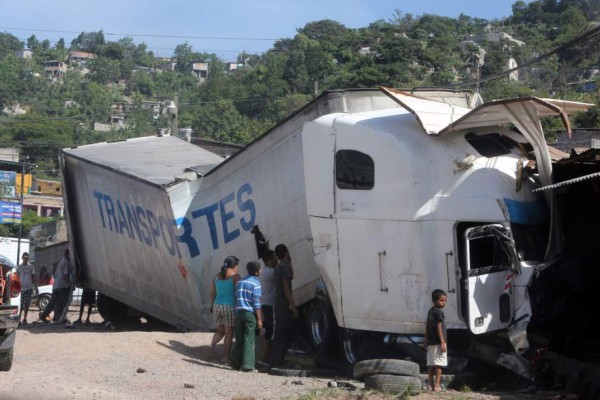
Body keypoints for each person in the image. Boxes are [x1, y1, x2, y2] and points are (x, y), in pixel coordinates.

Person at [269, 244, 299, 368]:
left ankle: (277, 359)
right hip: (284, 304)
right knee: (283, 332)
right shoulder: (285, 267)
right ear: (286, 252)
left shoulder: (277, 267)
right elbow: (286, 287)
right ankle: (276, 361)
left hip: (278, 303)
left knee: (282, 332)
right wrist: (293, 306)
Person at [230, 261, 263, 372]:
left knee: (239, 339)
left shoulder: (240, 282)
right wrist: (259, 319)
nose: (261, 271)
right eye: (260, 269)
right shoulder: (255, 283)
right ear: (256, 271)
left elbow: (235, 297)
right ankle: (248, 366)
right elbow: (256, 302)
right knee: (249, 339)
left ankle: (235, 363)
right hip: (250, 314)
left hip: (239, 313)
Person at [208, 256, 241, 363]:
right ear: (235, 266)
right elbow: (240, 293)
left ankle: (212, 346)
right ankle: (226, 358)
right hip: (229, 307)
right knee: (229, 333)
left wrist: (211, 306)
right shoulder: (236, 277)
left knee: (220, 330)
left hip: (217, 305)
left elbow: (212, 293)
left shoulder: (216, 276)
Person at [39, 249, 72, 323]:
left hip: (56, 285)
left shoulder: (60, 262)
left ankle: (44, 316)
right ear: (68, 254)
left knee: (53, 302)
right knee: (64, 303)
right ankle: (63, 318)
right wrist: (69, 283)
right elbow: (65, 276)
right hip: (62, 286)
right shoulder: (66, 262)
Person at [424, 289, 448, 392]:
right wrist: (442, 342)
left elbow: (427, 326)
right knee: (439, 365)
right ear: (434, 300)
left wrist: (426, 340)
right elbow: (439, 327)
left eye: (445, 301)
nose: (444, 303)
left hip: (431, 343)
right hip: (438, 342)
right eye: (442, 300)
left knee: (430, 364)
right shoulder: (439, 312)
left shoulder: (431, 311)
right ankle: (437, 386)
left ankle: (431, 385)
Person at [258, 250, 278, 362]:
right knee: (271, 331)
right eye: (275, 257)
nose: (277, 259)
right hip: (271, 304)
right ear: (270, 260)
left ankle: (266, 356)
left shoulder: (263, 271)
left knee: (268, 330)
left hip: (265, 303)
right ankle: (266, 357)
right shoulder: (272, 272)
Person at [16, 252, 36, 325]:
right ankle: (19, 320)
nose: (26, 259)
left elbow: (33, 277)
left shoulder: (31, 267)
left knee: (26, 304)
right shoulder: (18, 267)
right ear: (22, 258)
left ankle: (25, 319)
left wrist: (35, 287)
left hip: (28, 288)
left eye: (27, 258)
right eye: (25, 258)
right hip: (20, 289)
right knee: (20, 305)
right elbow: (16, 277)